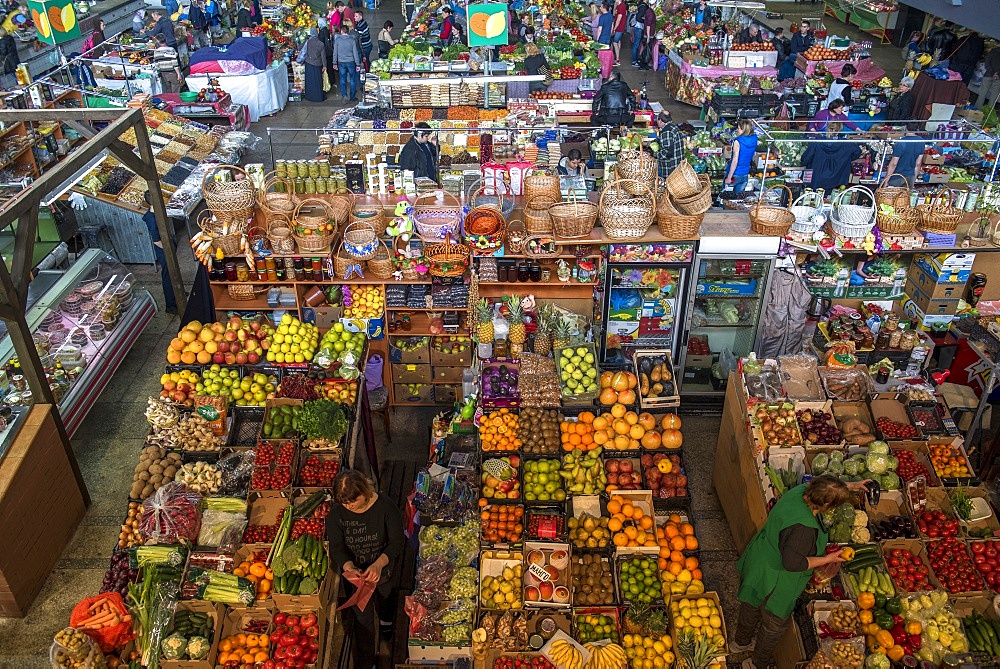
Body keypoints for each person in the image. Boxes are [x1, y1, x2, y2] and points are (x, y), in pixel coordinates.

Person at [733, 476, 861, 669]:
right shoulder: (804, 528)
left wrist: (851, 486)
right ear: (826, 504)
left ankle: (740, 642)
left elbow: (824, 487)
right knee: (773, 624)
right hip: (779, 578)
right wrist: (829, 559)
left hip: (761, 560)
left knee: (750, 602)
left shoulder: (800, 492)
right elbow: (793, 563)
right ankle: (755, 663)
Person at [328, 471, 404, 669]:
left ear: (365, 491)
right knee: (362, 619)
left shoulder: (386, 507)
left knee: (386, 600)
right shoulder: (337, 513)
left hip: (383, 572)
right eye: (345, 503)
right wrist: (348, 566)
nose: (349, 506)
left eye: (353, 501)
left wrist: (379, 564)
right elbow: (336, 547)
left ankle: (387, 627)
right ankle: (368, 657)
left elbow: (396, 542)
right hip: (356, 579)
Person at [142, 192, 178, 315]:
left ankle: (177, 293)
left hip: (167, 246)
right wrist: (168, 250)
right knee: (167, 275)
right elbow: (156, 240)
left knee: (173, 271)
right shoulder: (152, 219)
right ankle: (171, 304)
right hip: (163, 250)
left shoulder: (155, 214)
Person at [801, 123, 862, 192]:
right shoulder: (848, 144)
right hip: (837, 183)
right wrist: (846, 159)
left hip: (816, 181)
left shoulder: (816, 142)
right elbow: (858, 152)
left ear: (827, 129)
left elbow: (805, 159)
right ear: (839, 131)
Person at [886, 122, 926, 186]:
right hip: (910, 177)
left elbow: (894, 164)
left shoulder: (901, 142)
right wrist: (913, 180)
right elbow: (918, 164)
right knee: (906, 196)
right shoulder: (921, 142)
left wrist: (886, 181)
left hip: (897, 178)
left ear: (905, 127)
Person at [725, 118, 757, 195]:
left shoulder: (738, 141)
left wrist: (729, 177)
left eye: (739, 128)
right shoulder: (754, 139)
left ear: (743, 130)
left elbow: (735, 160)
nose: (737, 130)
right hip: (745, 173)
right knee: (738, 198)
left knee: (726, 198)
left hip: (735, 173)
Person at [333, 24, 361, 101]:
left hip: (341, 62)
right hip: (351, 62)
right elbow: (355, 53)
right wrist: (357, 64)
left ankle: (344, 95)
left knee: (342, 79)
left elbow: (335, 52)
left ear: (341, 31)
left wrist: (334, 63)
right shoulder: (352, 40)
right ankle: (352, 97)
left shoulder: (337, 40)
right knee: (352, 80)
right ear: (348, 32)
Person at [655, 110, 684, 178]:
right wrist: (651, 142)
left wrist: (654, 154)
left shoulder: (667, 132)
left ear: (660, 121)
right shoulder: (672, 126)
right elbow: (664, 140)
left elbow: (667, 153)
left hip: (671, 167)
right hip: (678, 164)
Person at [630, 0, 654, 68]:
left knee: (636, 44)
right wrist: (645, 20)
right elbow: (639, 18)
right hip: (639, 27)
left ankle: (636, 59)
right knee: (636, 44)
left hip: (638, 27)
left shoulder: (641, 5)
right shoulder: (643, 7)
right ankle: (634, 61)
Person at [611, 0, 626, 65]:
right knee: (618, 41)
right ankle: (617, 56)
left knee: (615, 42)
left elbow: (618, 19)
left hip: (619, 28)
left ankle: (617, 59)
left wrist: (614, 28)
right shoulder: (619, 6)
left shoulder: (621, 6)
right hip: (620, 27)